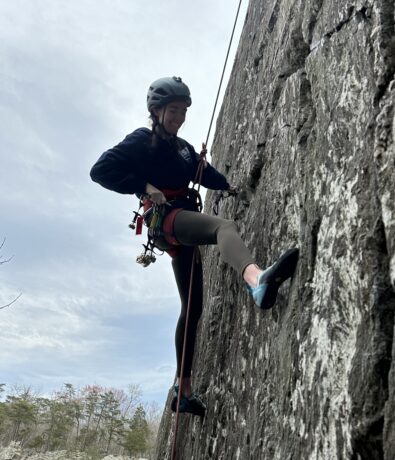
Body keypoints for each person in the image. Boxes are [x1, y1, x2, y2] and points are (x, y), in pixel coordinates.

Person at [90, 76, 299, 417]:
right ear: (156, 111)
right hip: (168, 219)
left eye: (184, 111)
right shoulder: (142, 141)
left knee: (193, 308)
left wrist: (230, 187)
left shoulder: (184, 149)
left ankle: (182, 390)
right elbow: (100, 170)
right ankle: (256, 280)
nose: (179, 117)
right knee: (224, 228)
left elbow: (206, 174)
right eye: (174, 110)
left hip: (180, 224)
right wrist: (143, 185)